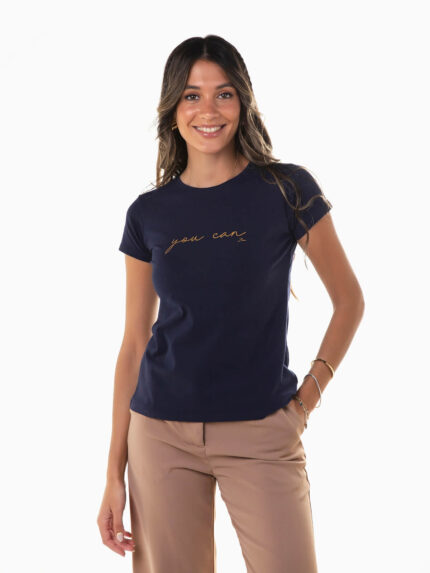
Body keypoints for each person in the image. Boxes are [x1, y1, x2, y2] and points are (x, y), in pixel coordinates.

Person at [97, 34, 365, 573]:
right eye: (192, 95)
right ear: (173, 108)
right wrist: (112, 474)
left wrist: (306, 400)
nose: (208, 110)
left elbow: (349, 301)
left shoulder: (286, 189)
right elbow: (134, 342)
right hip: (160, 435)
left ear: (242, 101)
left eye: (223, 94)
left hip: (262, 430)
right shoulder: (148, 213)